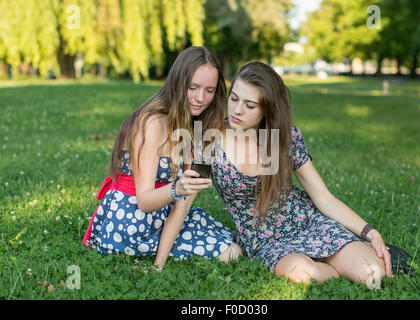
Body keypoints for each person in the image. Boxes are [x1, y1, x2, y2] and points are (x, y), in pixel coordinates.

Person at [209, 61, 393, 285]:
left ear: (267, 109)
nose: (237, 110)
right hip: (264, 239)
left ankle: (347, 252)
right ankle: (334, 265)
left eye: (250, 105)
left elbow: (323, 197)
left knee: (373, 273)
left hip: (304, 220)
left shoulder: (286, 138)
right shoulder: (211, 137)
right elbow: (184, 192)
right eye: (234, 98)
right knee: (300, 272)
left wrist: (370, 232)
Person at [82, 46, 242, 270]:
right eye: (192, 87)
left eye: (209, 90)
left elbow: (182, 208)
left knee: (235, 243)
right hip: (132, 222)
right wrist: (178, 187)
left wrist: (159, 264)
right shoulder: (153, 123)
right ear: (177, 83)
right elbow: (145, 201)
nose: (200, 98)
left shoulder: (196, 127)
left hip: (164, 213)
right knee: (231, 253)